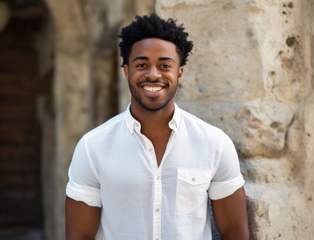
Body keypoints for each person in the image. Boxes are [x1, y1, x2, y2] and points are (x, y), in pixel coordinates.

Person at [65, 13, 249, 240]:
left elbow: (235, 232)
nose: (153, 74)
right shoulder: (92, 148)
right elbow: (79, 235)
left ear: (179, 73)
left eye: (164, 65)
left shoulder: (214, 144)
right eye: (142, 65)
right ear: (126, 71)